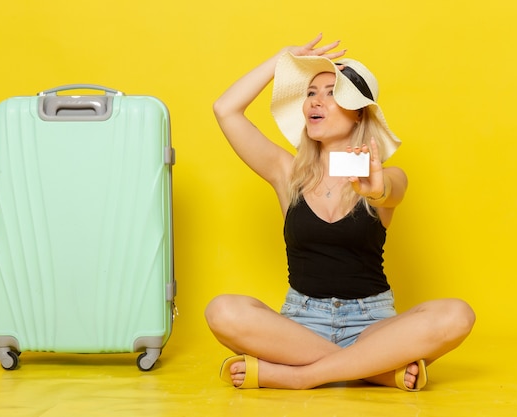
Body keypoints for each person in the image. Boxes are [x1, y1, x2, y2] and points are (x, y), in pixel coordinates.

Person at [204, 34, 476, 391]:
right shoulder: (287, 173)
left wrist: (375, 190)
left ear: (359, 110)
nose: (316, 101)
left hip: (373, 324)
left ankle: (301, 376)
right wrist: (281, 60)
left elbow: (392, 190)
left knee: (457, 315)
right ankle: (374, 370)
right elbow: (226, 109)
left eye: (332, 93)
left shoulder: (383, 177)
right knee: (222, 310)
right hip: (301, 324)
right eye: (311, 92)